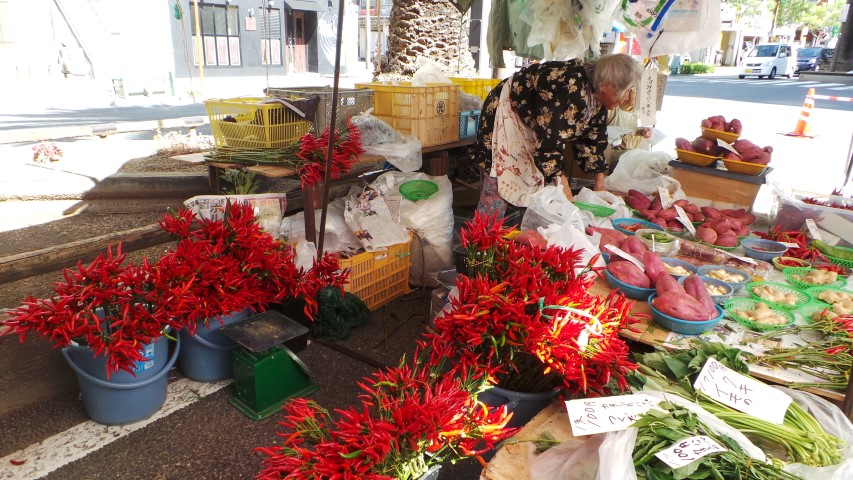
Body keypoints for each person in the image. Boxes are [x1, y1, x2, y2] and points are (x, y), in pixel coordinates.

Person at [473, 53, 643, 218]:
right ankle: (479, 241)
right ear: (606, 85)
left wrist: (600, 184)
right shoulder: (567, 87)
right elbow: (549, 144)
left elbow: (593, 139)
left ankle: (520, 235)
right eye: (625, 91)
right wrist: (565, 189)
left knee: (535, 186)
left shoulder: (597, 96)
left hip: (534, 127)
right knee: (498, 184)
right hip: (507, 113)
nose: (626, 98)